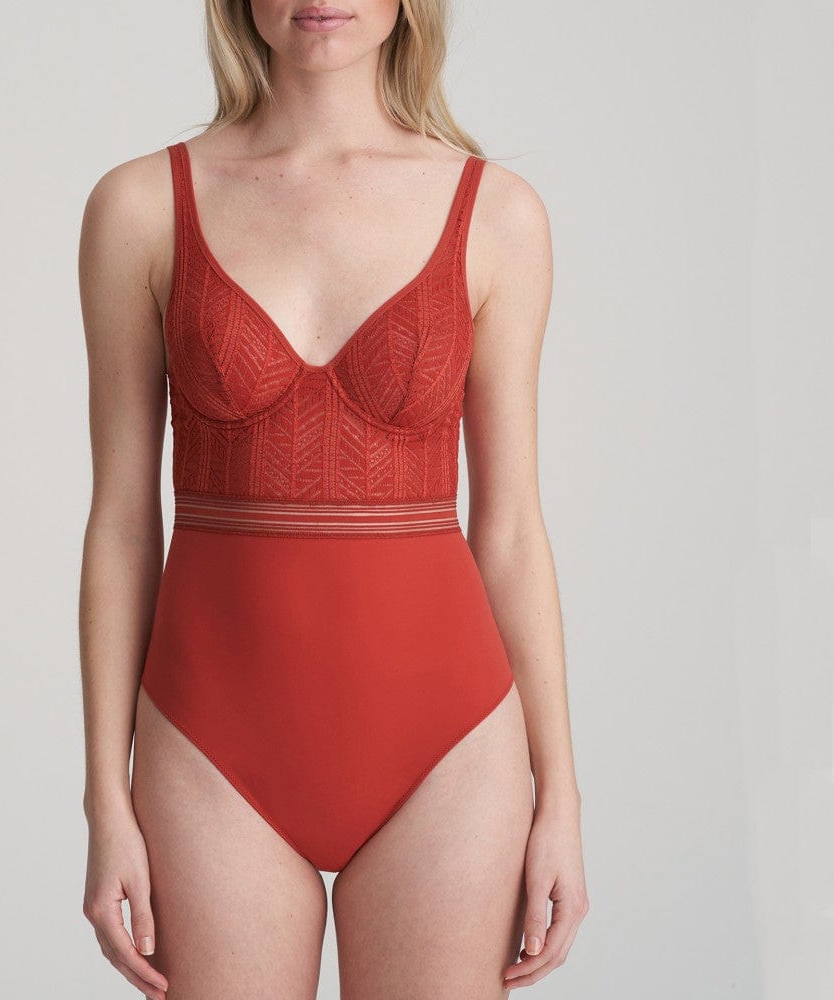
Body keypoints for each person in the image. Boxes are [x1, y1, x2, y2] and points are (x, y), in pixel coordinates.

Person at [77, 2, 588, 997]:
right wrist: (105, 798)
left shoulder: (498, 214)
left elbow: (513, 530)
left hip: (449, 748)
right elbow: (123, 523)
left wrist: (560, 798)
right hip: (208, 742)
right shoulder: (139, 207)